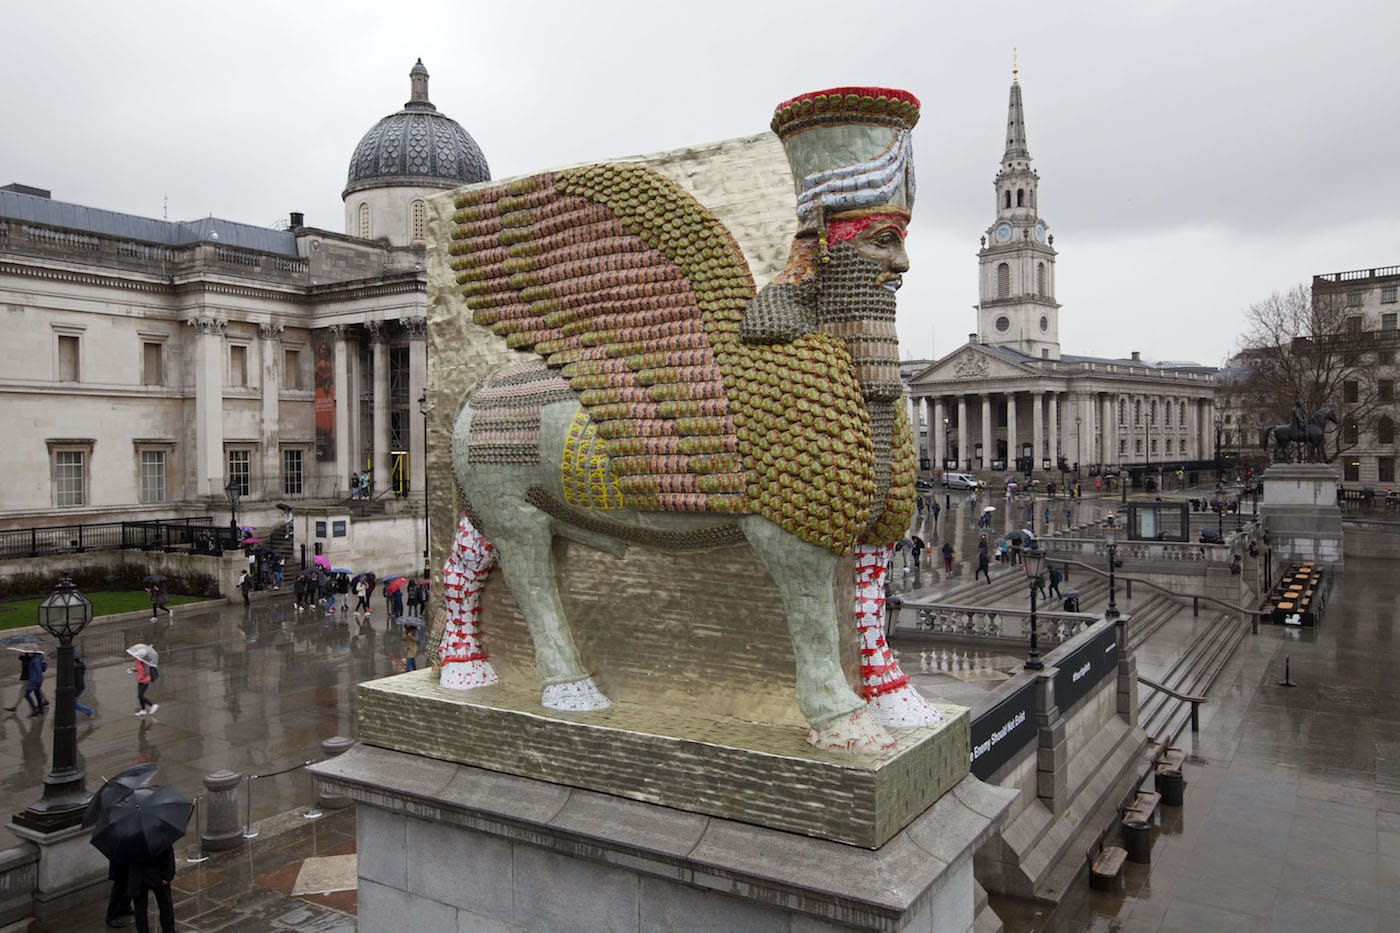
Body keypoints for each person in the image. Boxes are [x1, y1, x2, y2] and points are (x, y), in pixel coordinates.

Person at [127, 844, 176, 933]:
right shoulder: (159, 832)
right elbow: (168, 853)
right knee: (165, 905)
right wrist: (168, 875)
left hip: (138, 877)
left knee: (140, 909)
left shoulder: (128, 836)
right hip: (158, 874)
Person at [105, 857, 134, 929]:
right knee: (118, 890)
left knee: (128, 884)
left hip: (127, 862)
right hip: (119, 864)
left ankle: (124, 908)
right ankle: (111, 917)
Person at [128, 649, 158, 718]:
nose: (136, 655)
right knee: (140, 697)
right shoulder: (138, 661)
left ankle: (153, 705)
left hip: (145, 680)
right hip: (140, 680)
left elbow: (147, 671)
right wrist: (133, 670)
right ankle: (143, 710)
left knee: (140, 696)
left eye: (137, 654)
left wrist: (142, 677)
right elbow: (140, 669)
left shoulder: (144, 661)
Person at [74, 652, 94, 718]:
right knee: (71, 703)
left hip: (77, 689)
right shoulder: (76, 668)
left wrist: (76, 693)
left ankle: (89, 711)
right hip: (76, 688)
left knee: (72, 703)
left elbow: (79, 681)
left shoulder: (77, 670)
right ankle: (89, 711)